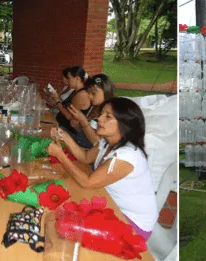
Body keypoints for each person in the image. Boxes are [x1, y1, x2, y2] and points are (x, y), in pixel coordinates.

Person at [46, 97, 158, 240]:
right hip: (112, 207)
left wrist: (60, 155)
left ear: (124, 124)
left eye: (108, 117)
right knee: (64, 208)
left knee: (65, 227)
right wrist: (65, 137)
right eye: (101, 114)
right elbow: (86, 157)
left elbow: (88, 182)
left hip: (133, 224)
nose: (99, 119)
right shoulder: (107, 142)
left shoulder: (127, 156)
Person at [65, 74, 115, 148]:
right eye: (89, 92)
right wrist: (76, 126)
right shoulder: (93, 107)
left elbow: (98, 144)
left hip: (90, 155)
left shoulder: (111, 114)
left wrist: (83, 121)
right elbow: (86, 134)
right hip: (80, 146)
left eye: (94, 93)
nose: (90, 96)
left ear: (106, 91)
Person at [49, 66, 91, 134]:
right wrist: (57, 98)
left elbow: (69, 116)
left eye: (68, 78)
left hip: (67, 130)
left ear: (77, 78)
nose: (67, 81)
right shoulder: (75, 91)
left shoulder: (82, 94)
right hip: (61, 124)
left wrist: (57, 101)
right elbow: (66, 106)